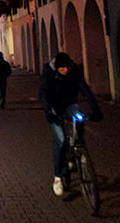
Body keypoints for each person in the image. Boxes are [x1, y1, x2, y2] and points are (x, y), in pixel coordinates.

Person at [38, 52, 102, 197]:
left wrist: (95, 109)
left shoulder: (74, 71)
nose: (65, 71)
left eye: (67, 68)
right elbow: (43, 93)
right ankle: (58, 177)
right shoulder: (48, 71)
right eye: (62, 69)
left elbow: (85, 89)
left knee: (79, 119)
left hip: (70, 103)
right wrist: (49, 112)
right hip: (54, 106)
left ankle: (77, 149)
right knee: (60, 139)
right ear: (57, 68)